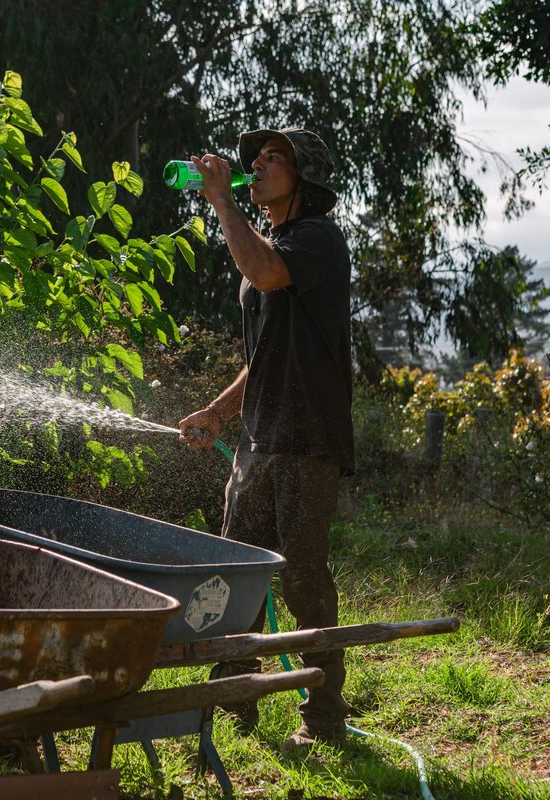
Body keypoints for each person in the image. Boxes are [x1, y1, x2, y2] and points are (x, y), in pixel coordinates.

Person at [177, 127, 354, 751]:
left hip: (308, 439)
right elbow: (263, 358)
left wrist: (222, 201)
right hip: (259, 439)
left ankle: (324, 714)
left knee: (302, 576)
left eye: (273, 157)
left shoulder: (316, 242)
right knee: (236, 575)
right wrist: (219, 413)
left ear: (304, 177)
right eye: (257, 157)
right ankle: (234, 705)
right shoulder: (269, 243)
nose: (257, 163)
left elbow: (266, 270)